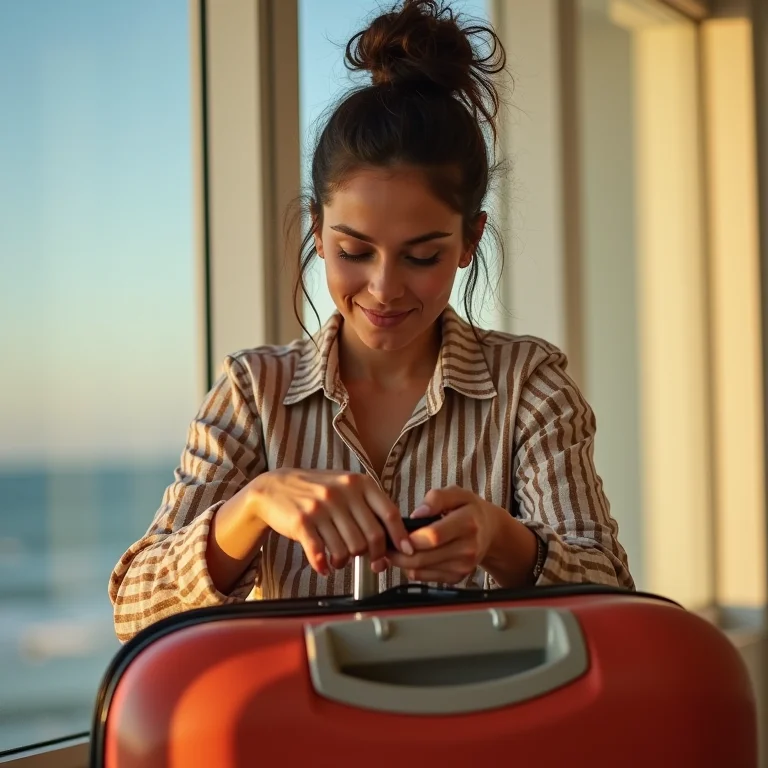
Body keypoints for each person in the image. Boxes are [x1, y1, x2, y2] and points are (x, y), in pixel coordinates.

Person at [109, 0, 634, 643]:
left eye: (422, 255)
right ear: (317, 232)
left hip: (480, 736)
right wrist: (253, 506)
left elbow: (616, 606)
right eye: (354, 251)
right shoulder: (254, 394)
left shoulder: (529, 388)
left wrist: (503, 541)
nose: (384, 289)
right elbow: (134, 610)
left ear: (470, 241)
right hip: (306, 740)